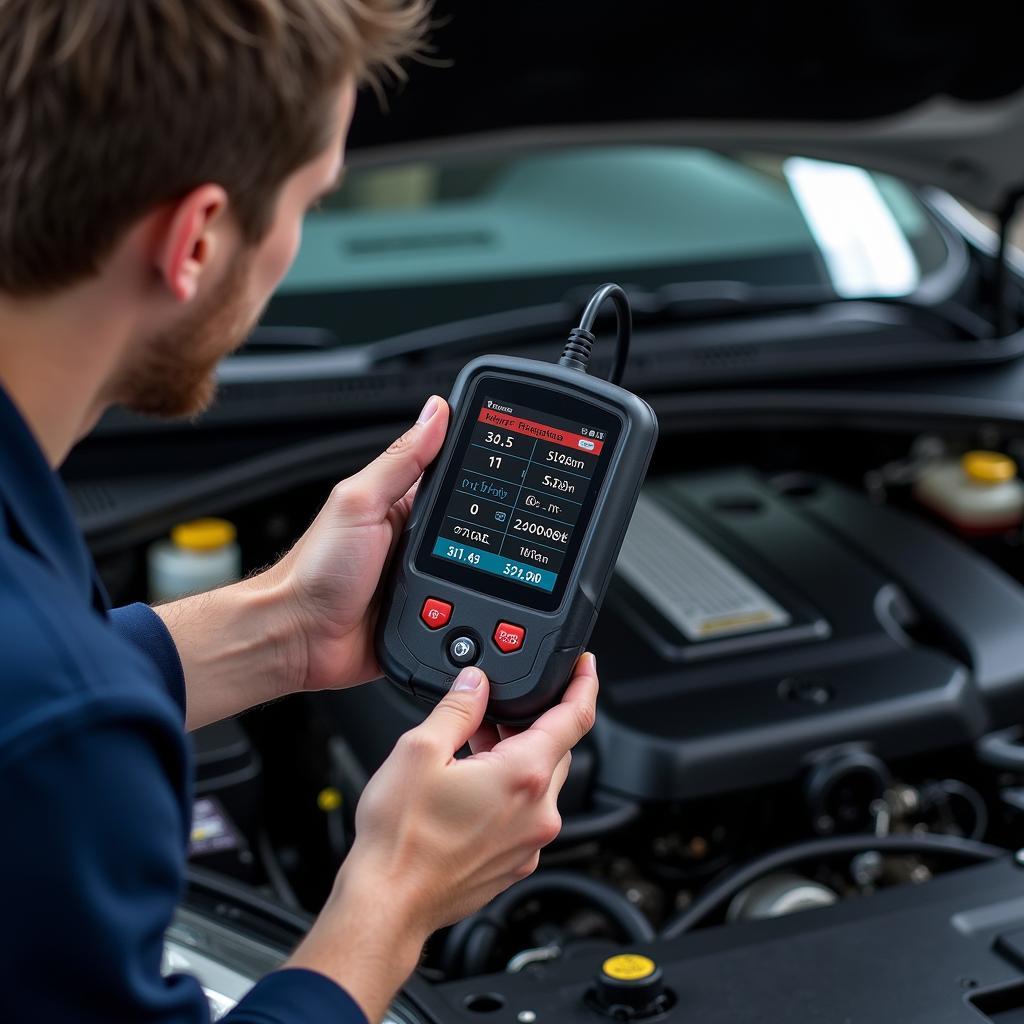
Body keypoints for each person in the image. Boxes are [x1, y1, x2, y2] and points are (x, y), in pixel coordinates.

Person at [0, 3, 600, 1022]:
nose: (292, 243)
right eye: (310, 202)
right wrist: (395, 896)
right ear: (193, 239)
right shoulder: (65, 736)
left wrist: (285, 627)